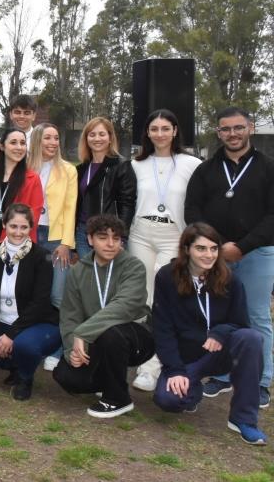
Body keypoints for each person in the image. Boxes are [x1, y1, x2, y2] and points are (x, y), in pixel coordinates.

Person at [185, 106, 274, 409]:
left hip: (257, 253)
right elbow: (192, 210)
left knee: (257, 315)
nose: (232, 134)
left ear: (250, 128)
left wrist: (244, 246)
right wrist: (216, 247)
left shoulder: (268, 167)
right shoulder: (206, 169)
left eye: (238, 127)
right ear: (218, 132)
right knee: (220, 316)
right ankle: (222, 374)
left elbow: (272, 216)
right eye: (225, 129)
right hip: (215, 255)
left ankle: (260, 381)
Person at [152, 223, 266, 445]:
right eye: (201, 248)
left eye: (214, 248)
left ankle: (244, 420)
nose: (209, 254)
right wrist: (175, 370)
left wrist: (219, 333)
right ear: (187, 249)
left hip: (219, 353)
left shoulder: (230, 279)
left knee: (252, 339)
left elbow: (241, 324)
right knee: (168, 401)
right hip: (186, 356)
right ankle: (191, 389)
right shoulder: (167, 277)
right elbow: (162, 328)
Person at [126, 109, 202, 392]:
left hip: (174, 236)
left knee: (164, 299)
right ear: (147, 133)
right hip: (141, 235)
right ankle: (141, 360)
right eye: (154, 129)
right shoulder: (135, 164)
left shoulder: (191, 163)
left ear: (175, 131)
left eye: (165, 128)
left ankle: (155, 365)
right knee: (142, 298)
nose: (159, 134)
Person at [52, 215, 153, 418]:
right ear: (90, 239)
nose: (110, 244)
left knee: (112, 333)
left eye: (116, 239)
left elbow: (123, 306)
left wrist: (82, 333)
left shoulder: (133, 266)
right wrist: (73, 348)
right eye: (102, 237)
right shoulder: (78, 270)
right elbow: (70, 315)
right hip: (94, 338)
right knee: (65, 376)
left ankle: (118, 399)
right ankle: (107, 379)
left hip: (136, 336)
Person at [0, 204, 59, 400]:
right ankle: (15, 363)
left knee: (25, 345)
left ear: (31, 228)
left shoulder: (42, 256)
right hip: (1, 321)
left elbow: (40, 302)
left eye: (23, 227)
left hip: (35, 323)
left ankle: (25, 377)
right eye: (13, 226)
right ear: (4, 225)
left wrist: (11, 335)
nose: (18, 232)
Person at [27, 122, 78, 372]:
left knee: (58, 295)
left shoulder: (68, 170)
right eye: (47, 138)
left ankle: (60, 348)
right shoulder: (26, 167)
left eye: (56, 138)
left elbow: (71, 208)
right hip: (31, 236)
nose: (52, 143)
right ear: (37, 140)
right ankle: (34, 345)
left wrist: (67, 243)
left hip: (57, 238)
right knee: (35, 293)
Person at [0, 127, 44, 256]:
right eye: (13, 142)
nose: (19, 147)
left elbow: (33, 216)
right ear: (2, 146)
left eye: (22, 143)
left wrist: (5, 245)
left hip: (17, 247)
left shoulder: (32, 179)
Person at [73, 116, 135, 258]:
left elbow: (127, 204)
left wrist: (121, 237)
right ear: (86, 139)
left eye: (102, 134)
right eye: (92, 134)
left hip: (109, 234)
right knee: (89, 278)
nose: (97, 139)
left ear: (110, 137)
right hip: (84, 233)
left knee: (108, 279)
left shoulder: (121, 166)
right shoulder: (81, 168)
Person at [0, 94, 38, 165]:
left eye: (27, 113)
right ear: (11, 115)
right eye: (17, 112)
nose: (21, 116)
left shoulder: (41, 142)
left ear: (34, 116)